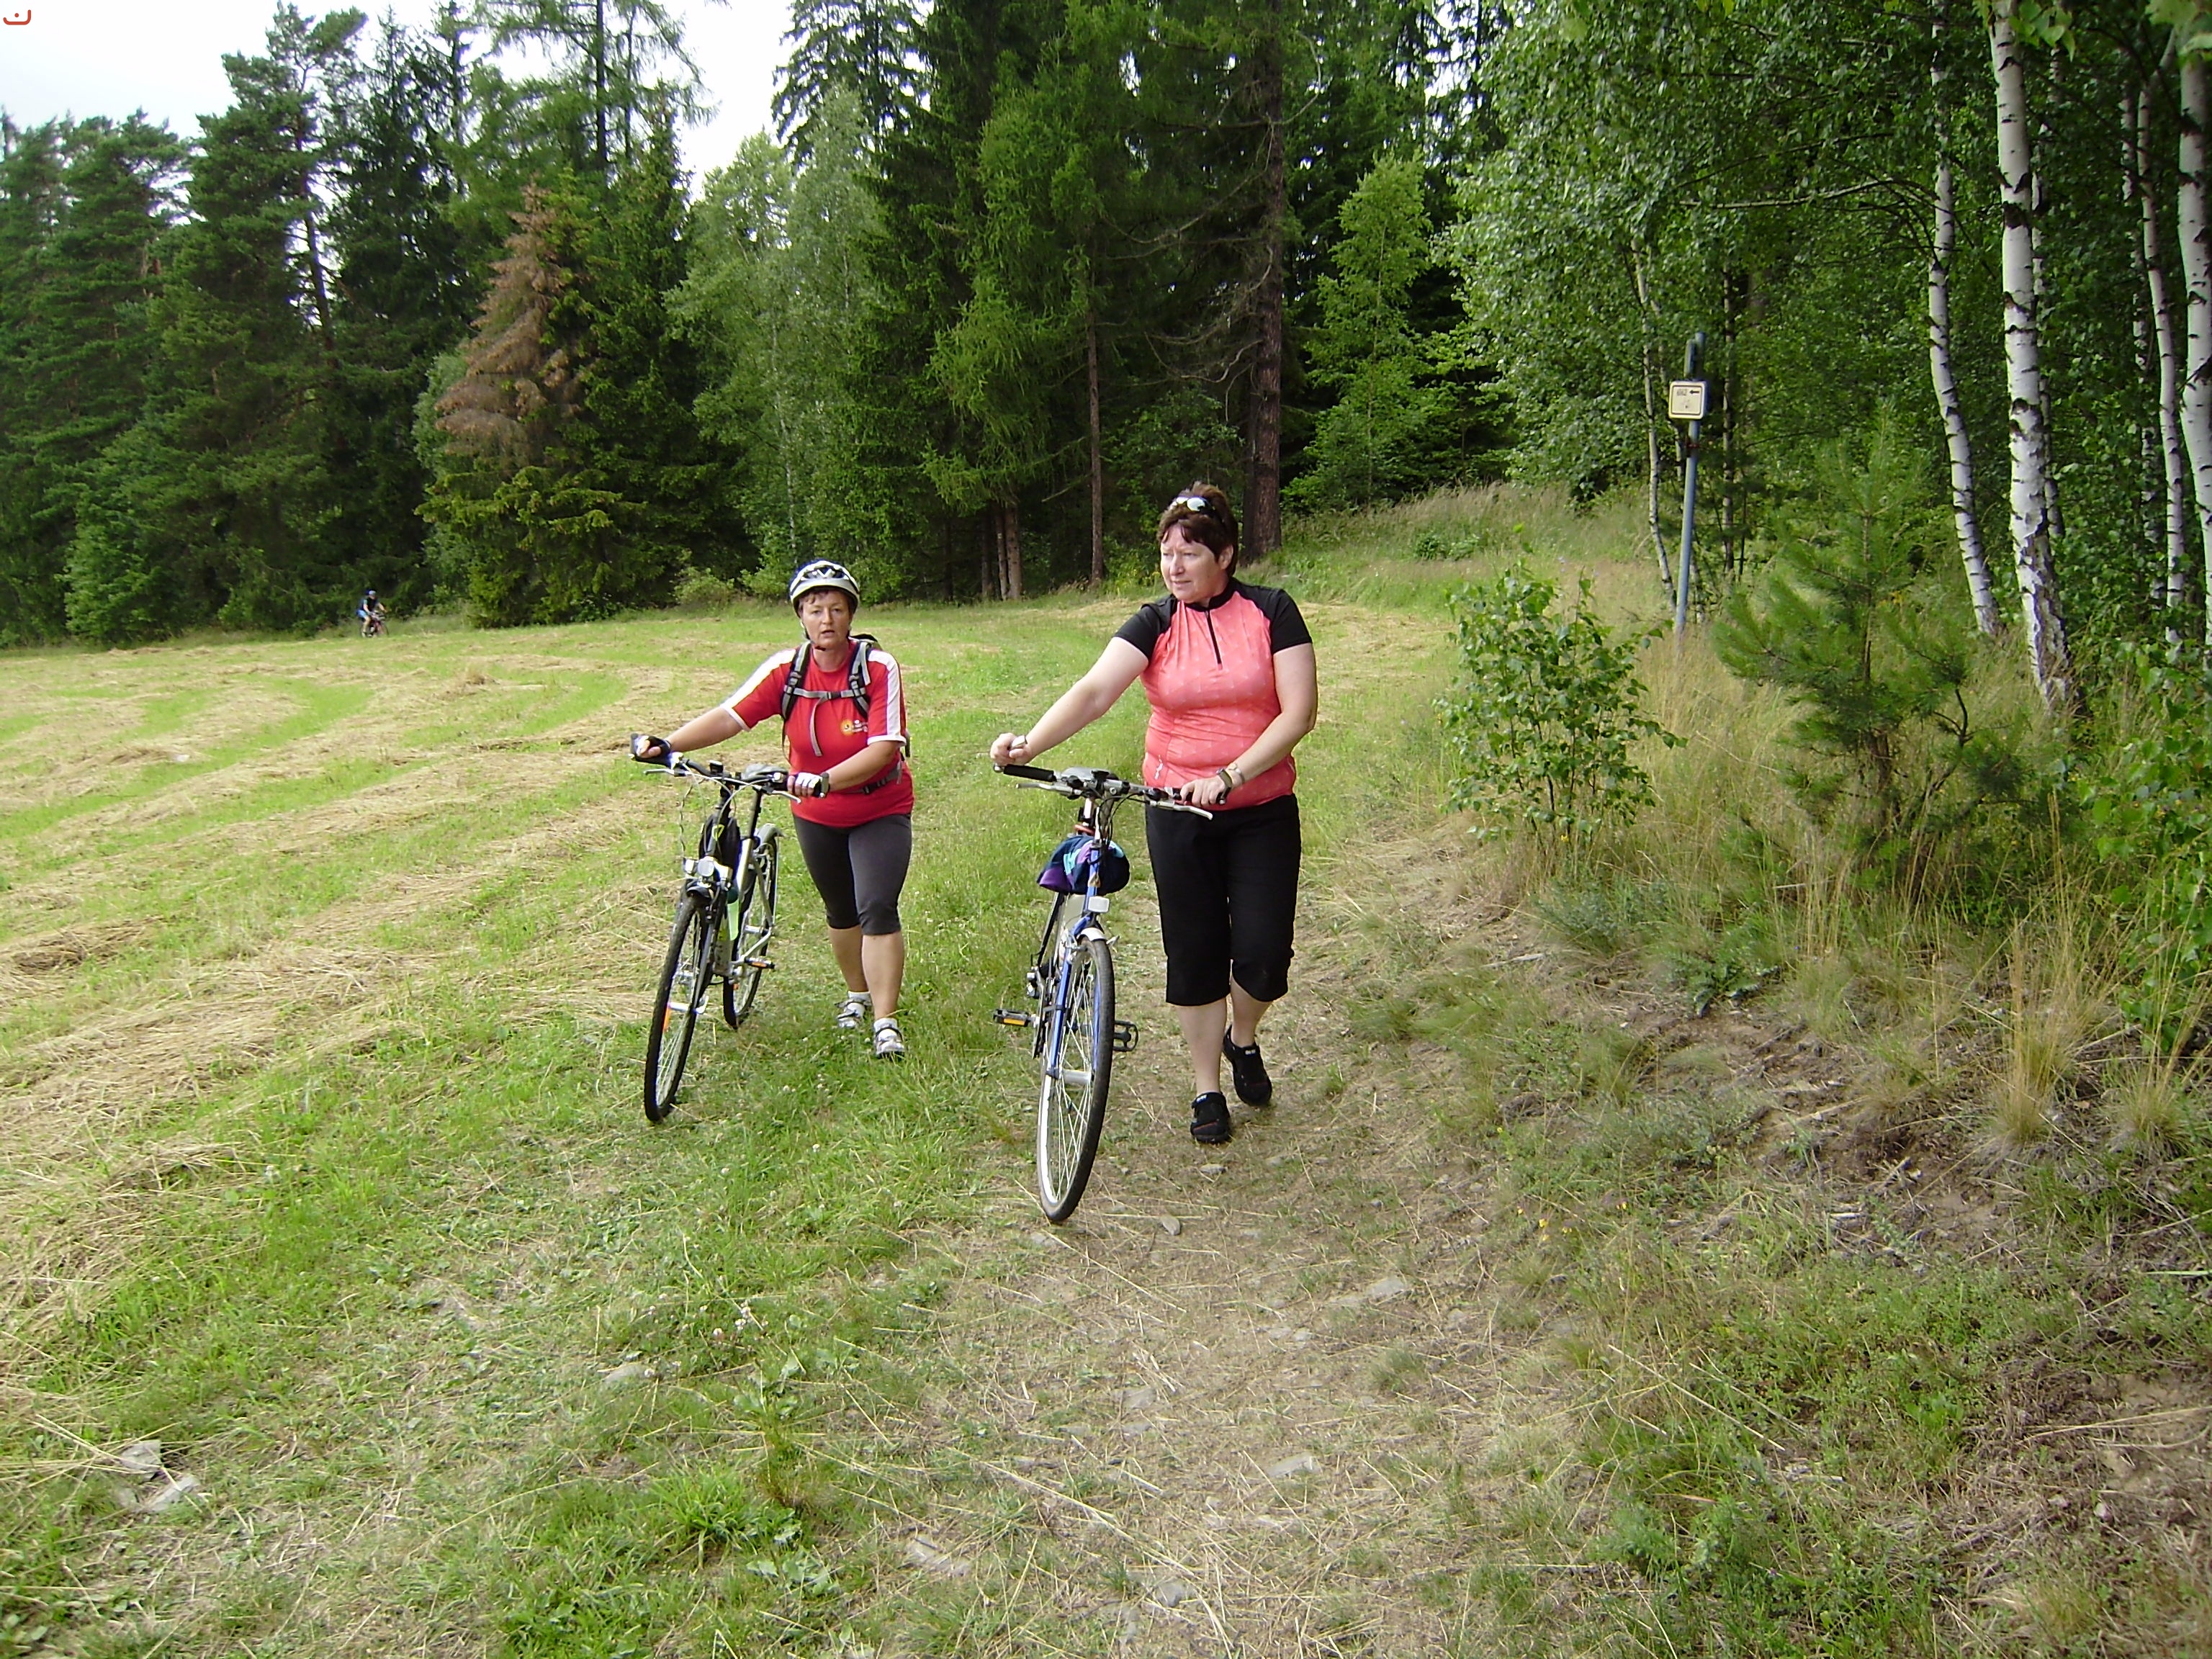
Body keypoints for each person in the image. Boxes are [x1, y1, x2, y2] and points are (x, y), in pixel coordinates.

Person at [990, 482, 1317, 1144]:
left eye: (1189, 553)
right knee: (1195, 950)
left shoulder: (1272, 611)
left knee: (1263, 957)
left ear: (1225, 555)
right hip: (1175, 810)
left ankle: (1242, 1037)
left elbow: (1299, 712)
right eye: (1167, 553)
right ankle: (1206, 1086)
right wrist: (1030, 743)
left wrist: (1230, 776)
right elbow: (1094, 690)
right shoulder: (1156, 622)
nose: (1174, 566)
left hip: (1260, 810)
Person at [636, 560, 914, 1059]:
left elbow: (885, 747)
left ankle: (885, 1021)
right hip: (814, 813)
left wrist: (825, 779)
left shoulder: (877, 667)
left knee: (876, 905)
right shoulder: (787, 670)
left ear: (851, 615)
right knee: (841, 910)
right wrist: (669, 743)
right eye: (815, 610)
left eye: (836, 609)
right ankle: (856, 996)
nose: (826, 619)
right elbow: (731, 716)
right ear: (800, 617)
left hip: (878, 807)